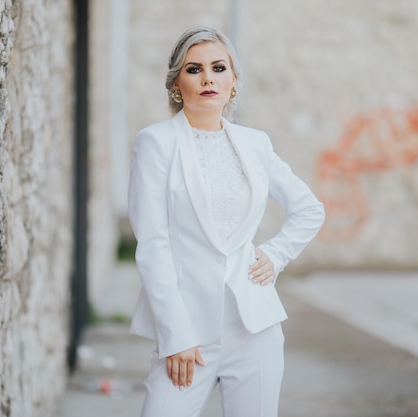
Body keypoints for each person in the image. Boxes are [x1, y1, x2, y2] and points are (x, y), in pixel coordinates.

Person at [128, 25, 325, 417]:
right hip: (188, 332)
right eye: (194, 69)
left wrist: (275, 254)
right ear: (175, 83)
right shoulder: (155, 144)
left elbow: (309, 209)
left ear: (233, 80)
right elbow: (153, 245)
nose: (207, 78)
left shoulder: (255, 144)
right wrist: (175, 335)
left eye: (219, 68)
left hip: (255, 329)